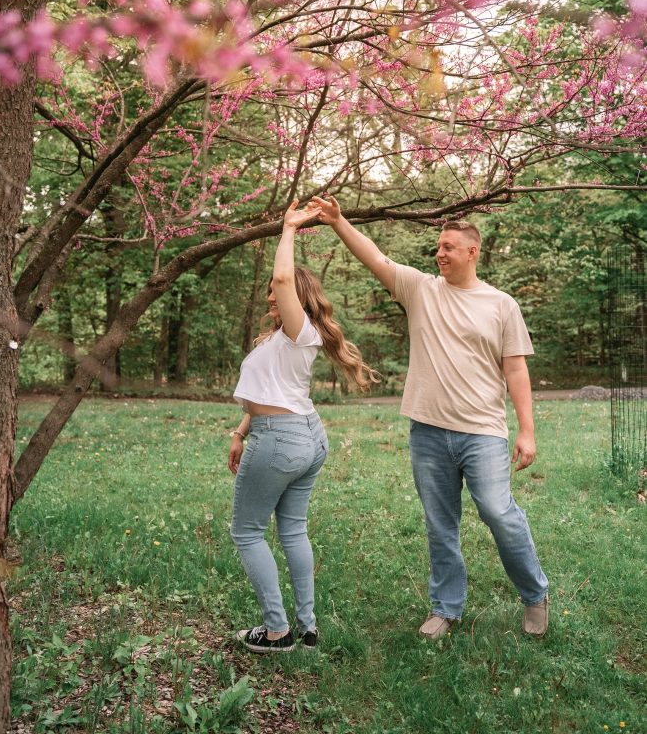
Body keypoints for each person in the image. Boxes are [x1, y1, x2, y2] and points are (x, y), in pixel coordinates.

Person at [309, 195, 549, 639]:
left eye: (448, 247)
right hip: (429, 432)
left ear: (472, 252)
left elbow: (516, 368)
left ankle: (535, 595)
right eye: (438, 247)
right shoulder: (420, 289)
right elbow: (375, 258)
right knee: (441, 524)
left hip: (483, 432)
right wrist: (339, 222)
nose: (440, 253)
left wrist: (527, 431)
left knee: (498, 511)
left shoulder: (501, 305)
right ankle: (446, 608)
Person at [228, 198, 377, 653]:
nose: (271, 296)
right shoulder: (283, 337)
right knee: (293, 530)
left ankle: (276, 631)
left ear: (297, 295)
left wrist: (289, 227)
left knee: (247, 531)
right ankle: (308, 629)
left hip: (282, 441)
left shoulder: (299, 329)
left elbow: (280, 277)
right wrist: (240, 432)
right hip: (304, 434)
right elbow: (269, 392)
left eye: (280, 293)